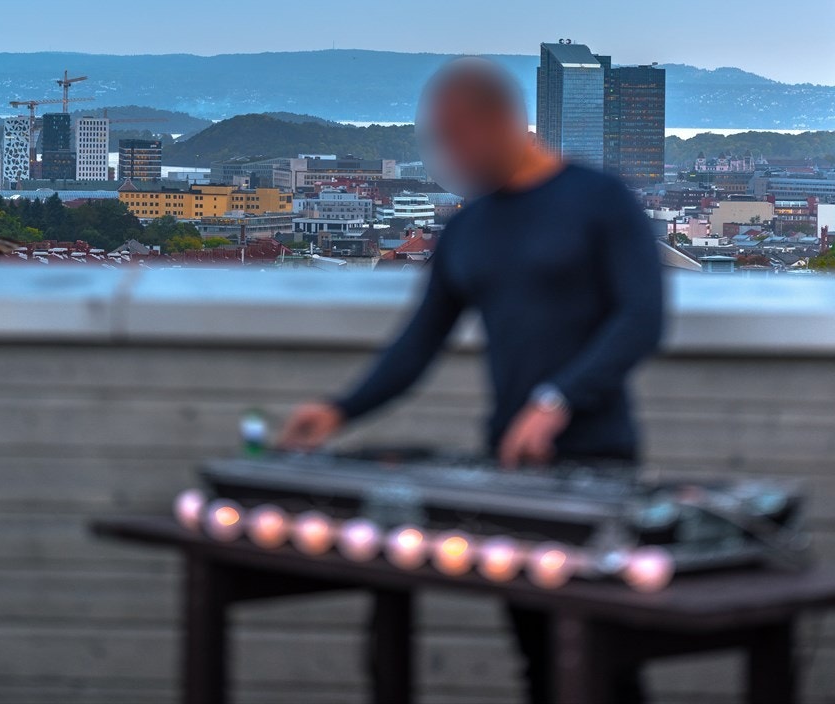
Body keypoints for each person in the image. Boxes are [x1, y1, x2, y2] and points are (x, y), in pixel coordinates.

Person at [279, 56, 664, 704]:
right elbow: (418, 342)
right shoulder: (468, 228)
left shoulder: (600, 199)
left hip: (597, 459)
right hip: (509, 467)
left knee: (602, 662)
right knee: (540, 661)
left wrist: (555, 400)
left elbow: (641, 320)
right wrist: (339, 410)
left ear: (502, 122)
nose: (446, 156)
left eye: (455, 136)